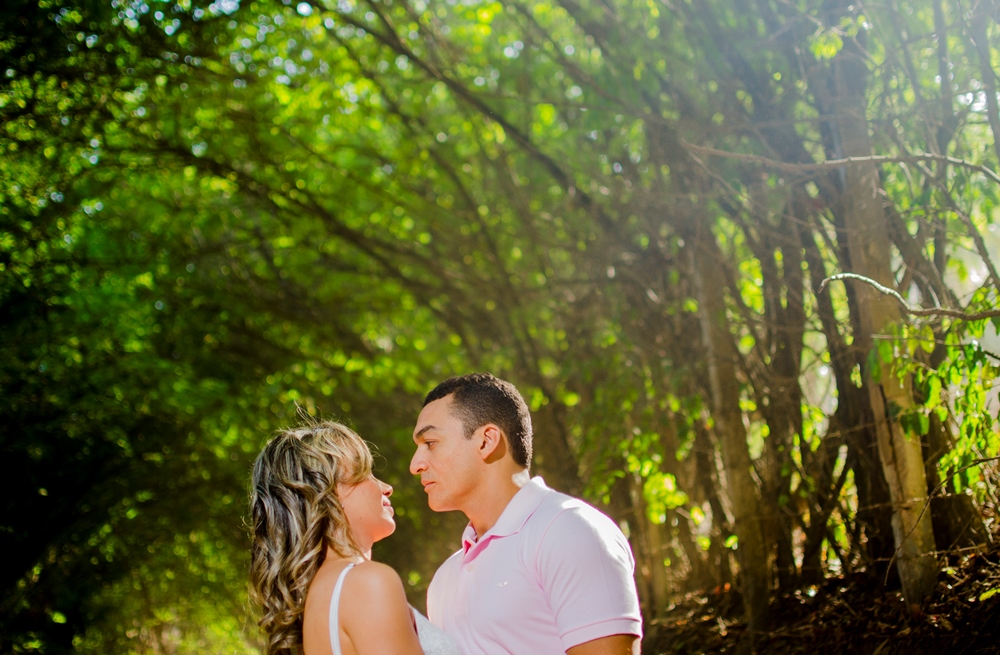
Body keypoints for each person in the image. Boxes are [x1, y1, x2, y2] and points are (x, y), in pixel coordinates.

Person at [410, 373, 643, 654]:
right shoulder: (443, 580)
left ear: (486, 441)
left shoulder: (570, 531)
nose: (416, 464)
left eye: (430, 443)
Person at [249, 420, 462, 655]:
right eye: (365, 473)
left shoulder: (317, 598)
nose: (386, 487)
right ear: (327, 492)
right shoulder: (366, 583)